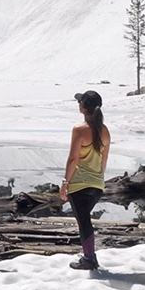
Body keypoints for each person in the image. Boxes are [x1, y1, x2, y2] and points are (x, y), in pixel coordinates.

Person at [59, 89, 109, 270]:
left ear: (83, 108)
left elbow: (73, 159)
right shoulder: (104, 131)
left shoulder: (79, 130)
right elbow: (104, 160)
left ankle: (89, 259)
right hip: (97, 185)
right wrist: (99, 178)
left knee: (83, 221)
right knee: (85, 219)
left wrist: (65, 183)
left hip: (79, 184)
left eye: (79, 102)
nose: (78, 104)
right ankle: (89, 255)